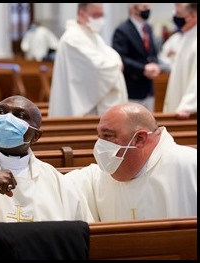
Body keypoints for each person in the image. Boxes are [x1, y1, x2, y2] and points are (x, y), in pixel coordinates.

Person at [0, 95, 94, 231]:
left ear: (36, 136)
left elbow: (83, 234)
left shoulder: (57, 182)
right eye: (0, 112)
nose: (7, 119)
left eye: (20, 115)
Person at [65, 102, 197, 222]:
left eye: (108, 136)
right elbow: (59, 187)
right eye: (99, 136)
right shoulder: (98, 176)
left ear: (139, 139)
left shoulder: (190, 166)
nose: (100, 145)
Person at [49, 3, 128, 117]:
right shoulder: (72, 39)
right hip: (83, 112)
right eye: (96, 15)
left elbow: (112, 55)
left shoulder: (91, 35)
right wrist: (116, 65)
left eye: (102, 15)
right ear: (82, 14)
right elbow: (98, 69)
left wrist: (115, 62)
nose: (100, 20)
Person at [112, 3, 162, 112]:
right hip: (132, 87)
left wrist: (154, 64)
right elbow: (121, 58)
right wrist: (143, 69)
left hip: (148, 88)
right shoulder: (122, 30)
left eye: (148, 7)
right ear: (133, 9)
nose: (147, 10)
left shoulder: (148, 28)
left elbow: (152, 52)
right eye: (144, 7)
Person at [163, 3, 197, 119]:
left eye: (179, 14)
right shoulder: (186, 36)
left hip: (187, 113)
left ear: (193, 15)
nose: (176, 17)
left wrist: (188, 105)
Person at [158, 3, 186, 71]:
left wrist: (177, 54)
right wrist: (169, 54)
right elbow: (162, 57)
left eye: (179, 13)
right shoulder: (175, 38)